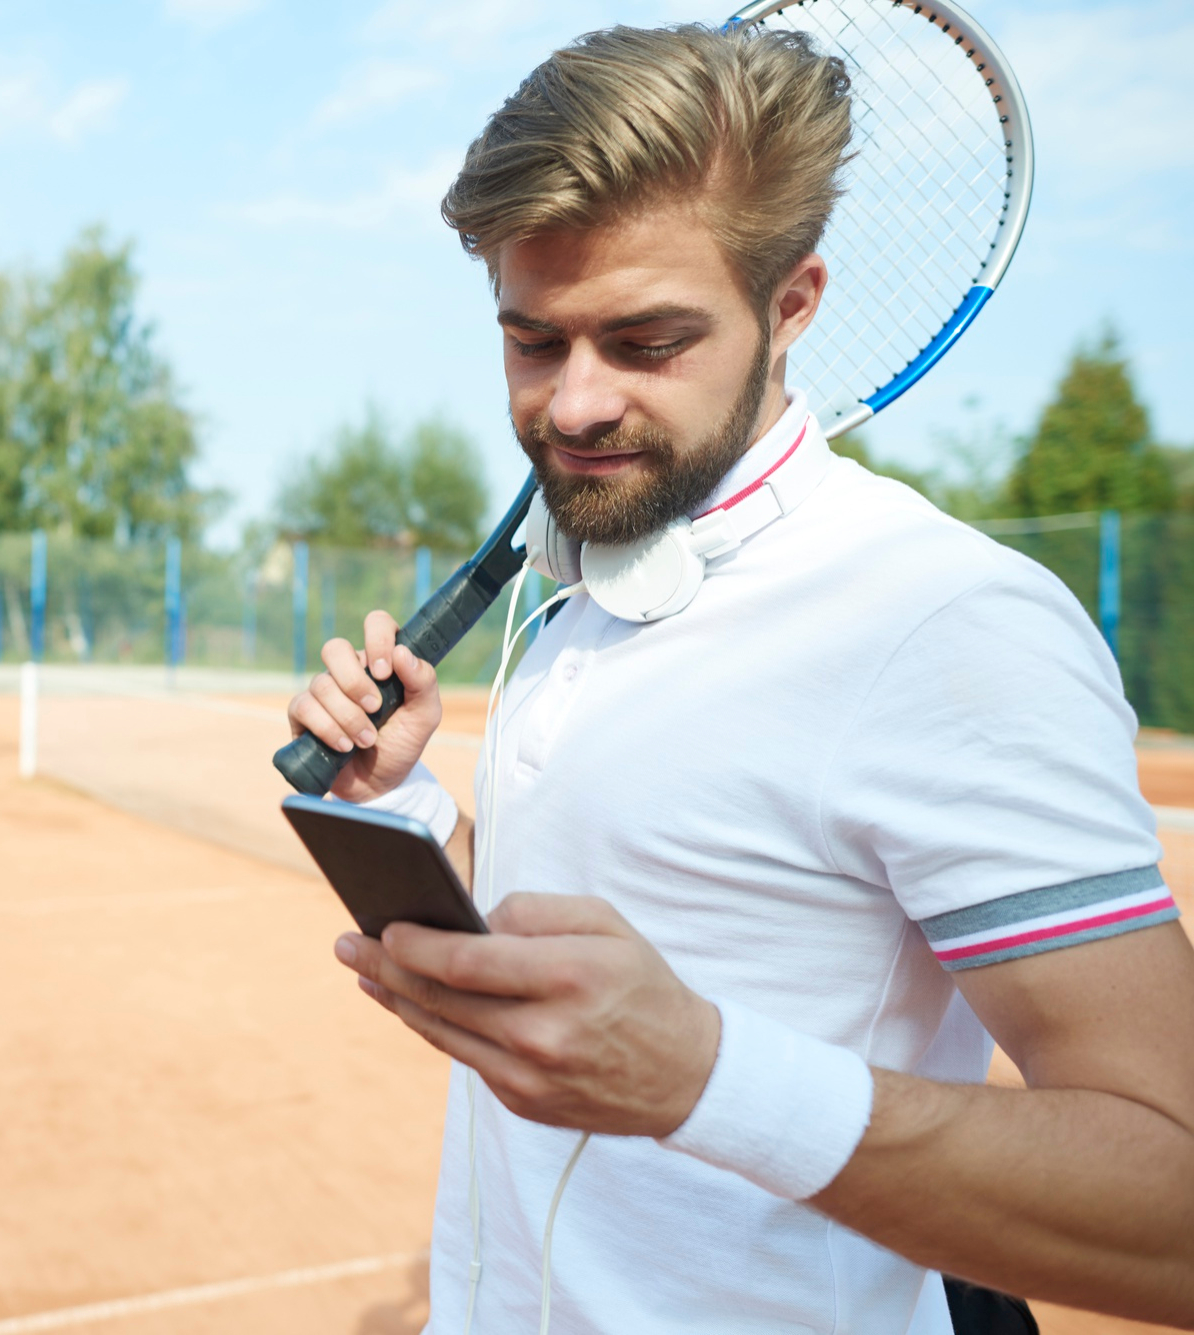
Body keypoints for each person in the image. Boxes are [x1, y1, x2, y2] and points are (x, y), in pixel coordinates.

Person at [284, 23, 1194, 1335]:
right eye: (534, 341)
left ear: (795, 305)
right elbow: (604, 957)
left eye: (645, 341)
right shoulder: (593, 586)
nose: (574, 405)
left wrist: (706, 1078)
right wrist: (410, 800)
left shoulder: (944, 623)